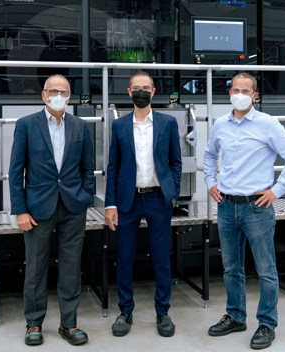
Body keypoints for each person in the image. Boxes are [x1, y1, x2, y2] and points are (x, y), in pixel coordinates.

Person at [203, 73, 285, 350]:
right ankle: (236, 316)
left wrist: (277, 190)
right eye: (236, 89)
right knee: (231, 268)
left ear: (254, 96)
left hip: (256, 207)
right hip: (226, 205)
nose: (240, 94)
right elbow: (210, 155)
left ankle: (267, 323)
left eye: (246, 91)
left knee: (265, 269)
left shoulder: (267, 124)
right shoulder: (221, 124)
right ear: (229, 93)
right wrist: (211, 182)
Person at [8, 74, 94, 346]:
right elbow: (15, 171)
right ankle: (34, 324)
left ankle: (69, 324)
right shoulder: (26, 125)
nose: (59, 96)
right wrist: (19, 209)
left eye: (64, 92)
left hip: (72, 207)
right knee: (35, 268)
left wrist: (85, 197)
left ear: (70, 96)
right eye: (54, 91)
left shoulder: (81, 126)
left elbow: (87, 168)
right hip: (36, 209)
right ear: (44, 95)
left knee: (71, 268)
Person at [104, 71, 182, 338]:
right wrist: (110, 204)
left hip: (158, 198)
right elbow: (112, 167)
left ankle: (163, 312)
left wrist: (174, 192)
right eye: (136, 87)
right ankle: (125, 311)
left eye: (145, 87)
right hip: (128, 199)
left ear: (153, 90)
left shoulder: (168, 123)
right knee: (125, 257)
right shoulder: (119, 126)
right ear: (129, 92)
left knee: (161, 257)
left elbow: (176, 162)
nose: (140, 91)